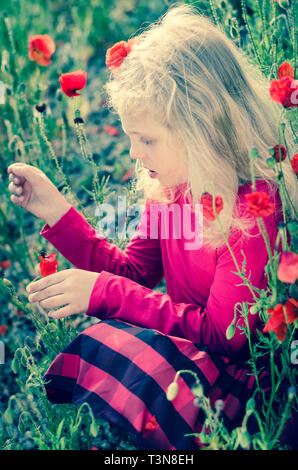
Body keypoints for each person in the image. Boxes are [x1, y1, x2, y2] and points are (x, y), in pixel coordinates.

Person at [7, 4, 297, 450]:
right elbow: (134, 274)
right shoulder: (175, 188)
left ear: (200, 129)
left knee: (126, 348)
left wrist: (103, 292)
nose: (133, 154)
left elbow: (228, 340)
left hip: (243, 387)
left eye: (146, 140)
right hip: (190, 354)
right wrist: (58, 213)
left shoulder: (252, 210)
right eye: (129, 137)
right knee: (117, 343)